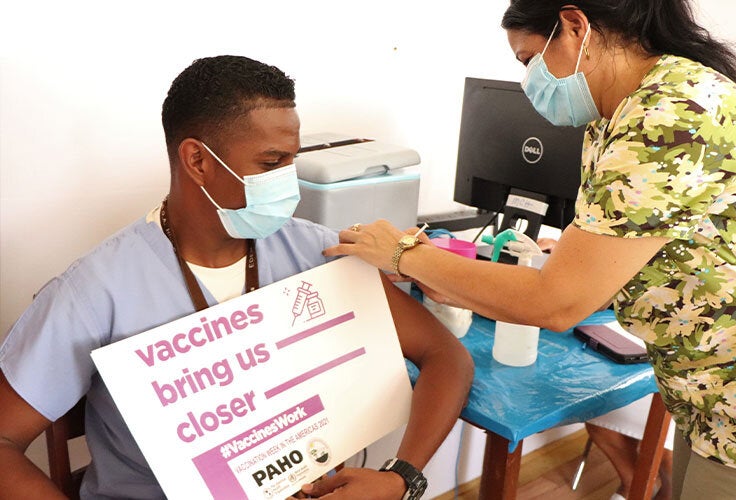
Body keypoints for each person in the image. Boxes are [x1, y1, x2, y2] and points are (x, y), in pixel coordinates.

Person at [323, 1, 736, 499]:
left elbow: (556, 302)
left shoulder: (673, 113)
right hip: (707, 392)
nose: (530, 81)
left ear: (575, 27)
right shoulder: (614, 114)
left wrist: (403, 253)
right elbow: (627, 248)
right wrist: (461, 274)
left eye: (529, 60)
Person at [0, 55, 474, 500]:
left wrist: (401, 477)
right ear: (198, 161)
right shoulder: (96, 293)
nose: (289, 179)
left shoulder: (316, 253)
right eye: (271, 163)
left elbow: (445, 356)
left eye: (292, 159)